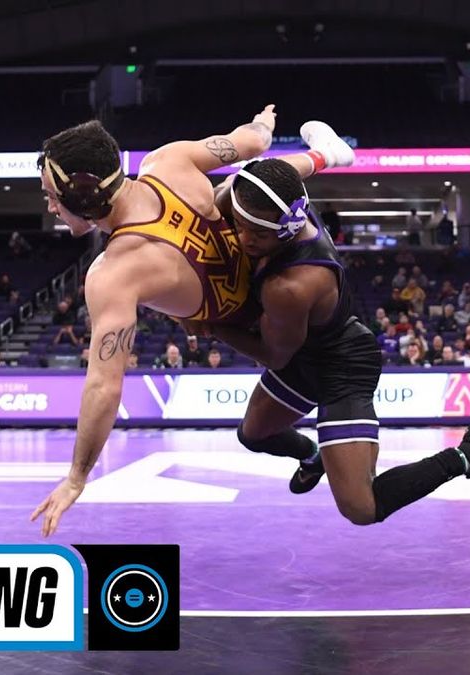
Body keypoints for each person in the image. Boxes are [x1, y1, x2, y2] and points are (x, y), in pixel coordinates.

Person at [30, 111, 360, 536]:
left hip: (270, 322)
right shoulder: (167, 161)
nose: (50, 205)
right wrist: (262, 123)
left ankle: (324, 155)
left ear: (85, 194)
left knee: (239, 189)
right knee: (243, 184)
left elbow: (104, 384)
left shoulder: (114, 272)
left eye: (53, 196)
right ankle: (323, 155)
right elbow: (253, 142)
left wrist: (77, 476)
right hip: (288, 263)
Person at [195, 157, 470, 529]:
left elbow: (274, 355)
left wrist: (210, 326)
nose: (244, 238)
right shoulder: (251, 195)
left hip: (340, 363)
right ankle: (315, 456)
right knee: (253, 434)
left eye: (258, 234)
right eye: (241, 225)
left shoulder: (292, 285)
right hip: (304, 350)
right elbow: (269, 179)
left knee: (361, 507)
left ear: (286, 229)